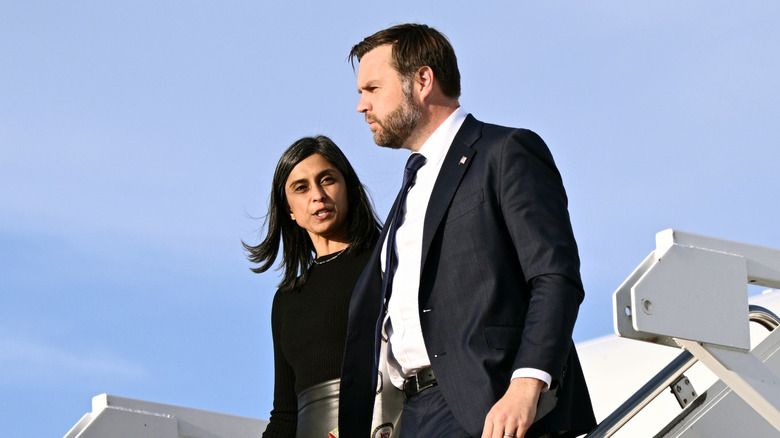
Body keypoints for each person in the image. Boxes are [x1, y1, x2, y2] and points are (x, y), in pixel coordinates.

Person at [338, 24, 597, 438]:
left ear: (422, 80)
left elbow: (555, 277)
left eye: (371, 88)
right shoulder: (410, 189)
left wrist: (525, 385)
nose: (361, 105)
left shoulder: (505, 152)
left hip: (491, 406)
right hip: (414, 414)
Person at [244, 136, 390, 438]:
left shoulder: (389, 262)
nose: (318, 195)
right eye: (302, 187)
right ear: (290, 211)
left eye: (327, 180)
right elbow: (285, 416)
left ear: (347, 187)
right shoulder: (286, 301)